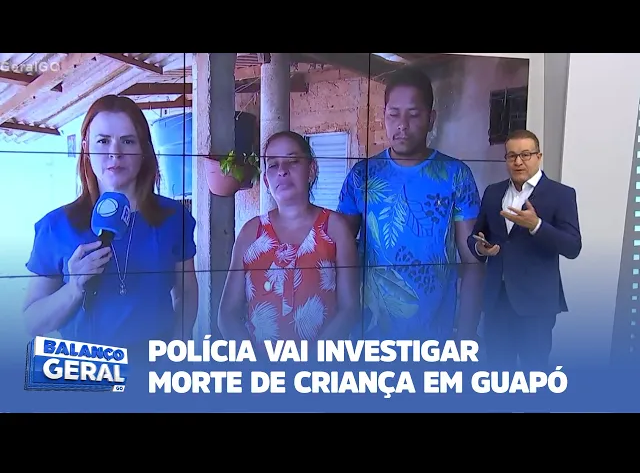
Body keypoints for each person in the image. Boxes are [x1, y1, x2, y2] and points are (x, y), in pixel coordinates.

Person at [22, 95, 198, 355]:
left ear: (144, 150)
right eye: (103, 141)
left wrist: (181, 343)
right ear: (86, 148)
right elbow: (33, 321)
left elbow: (186, 292)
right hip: (83, 370)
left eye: (128, 141)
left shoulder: (174, 218)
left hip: (155, 366)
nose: (115, 153)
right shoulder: (55, 226)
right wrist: (74, 288)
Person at [338, 66, 483, 342]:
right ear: (384, 116)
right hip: (370, 334)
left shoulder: (456, 175)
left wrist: (466, 335)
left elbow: (473, 261)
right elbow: (338, 254)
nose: (402, 124)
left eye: (414, 114)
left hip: (435, 335)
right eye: (393, 114)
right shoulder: (362, 176)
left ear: (431, 119)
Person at [218, 131, 360, 347]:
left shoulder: (334, 229)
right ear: (266, 181)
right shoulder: (251, 233)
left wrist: (316, 359)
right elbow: (227, 315)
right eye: (273, 165)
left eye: (293, 161)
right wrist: (251, 361)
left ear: (311, 170)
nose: (282, 171)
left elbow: (349, 309)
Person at [468, 129, 582, 370]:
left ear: (538, 156)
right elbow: (476, 235)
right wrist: (480, 247)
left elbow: (572, 246)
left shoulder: (561, 194)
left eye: (525, 155)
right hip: (497, 302)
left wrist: (537, 225)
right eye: (512, 156)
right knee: (498, 375)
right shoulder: (493, 192)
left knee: (534, 374)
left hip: (536, 306)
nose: (518, 161)